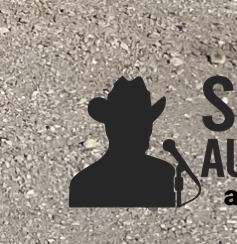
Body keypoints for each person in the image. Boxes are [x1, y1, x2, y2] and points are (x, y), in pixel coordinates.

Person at [69, 77, 179, 207]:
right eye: (136, 125)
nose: (146, 131)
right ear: (112, 128)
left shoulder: (83, 182)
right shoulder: (161, 173)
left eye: (145, 124)